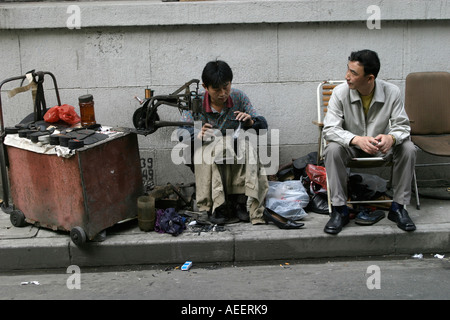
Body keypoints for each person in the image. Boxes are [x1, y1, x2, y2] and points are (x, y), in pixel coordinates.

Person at [322, 49, 417, 234]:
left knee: (408, 148)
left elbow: (403, 126)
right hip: (352, 147)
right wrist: (355, 139)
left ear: (370, 78)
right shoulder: (340, 93)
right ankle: (339, 210)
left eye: (354, 73)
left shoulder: (392, 92)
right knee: (332, 150)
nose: (347, 76)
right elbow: (330, 129)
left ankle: (398, 208)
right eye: (348, 70)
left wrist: (392, 137)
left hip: (381, 147)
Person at [178, 60, 269, 225]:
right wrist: (197, 134)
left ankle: (241, 202)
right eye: (216, 89)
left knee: (247, 150)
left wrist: (250, 122)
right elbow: (181, 133)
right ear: (205, 87)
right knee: (208, 154)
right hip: (204, 147)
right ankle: (213, 205)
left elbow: (262, 124)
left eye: (226, 87)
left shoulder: (238, 97)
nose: (222, 93)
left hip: (232, 147)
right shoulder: (194, 102)